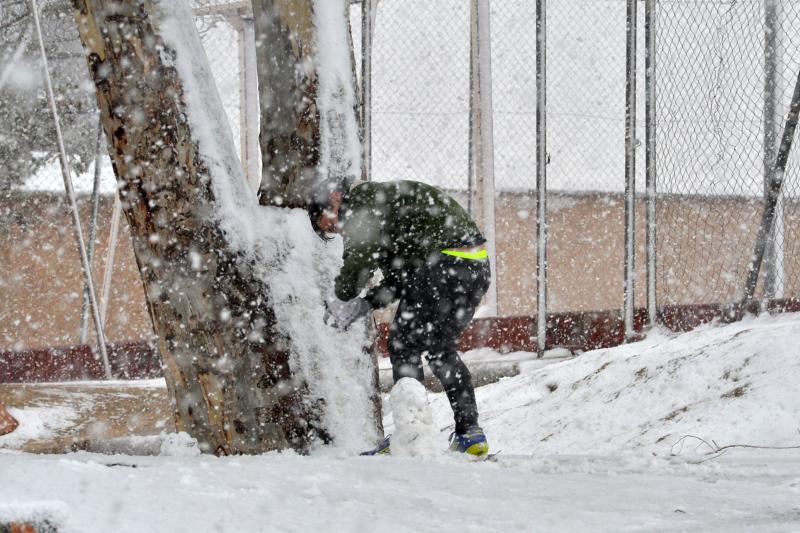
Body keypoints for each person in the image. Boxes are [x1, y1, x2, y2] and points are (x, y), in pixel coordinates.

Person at [308, 177, 491, 456]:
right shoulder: (393, 213)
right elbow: (402, 278)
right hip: (473, 267)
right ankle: (470, 433)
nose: (340, 231)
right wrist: (363, 305)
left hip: (441, 266)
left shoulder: (362, 201)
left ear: (334, 198)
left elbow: (359, 262)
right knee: (440, 350)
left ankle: (412, 436)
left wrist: (341, 296)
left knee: (403, 345)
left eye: (332, 224)